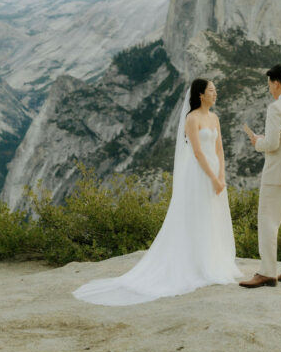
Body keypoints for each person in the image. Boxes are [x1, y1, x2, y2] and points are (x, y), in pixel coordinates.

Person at [72, 78, 241, 305]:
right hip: (199, 173)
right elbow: (198, 152)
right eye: (211, 90)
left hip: (215, 172)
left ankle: (211, 260)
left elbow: (219, 149)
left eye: (215, 90)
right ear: (200, 94)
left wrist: (222, 176)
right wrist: (212, 177)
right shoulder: (192, 118)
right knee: (197, 215)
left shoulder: (215, 118)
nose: (215, 93)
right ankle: (196, 263)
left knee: (211, 215)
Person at [239, 64, 281, 288]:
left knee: (268, 220)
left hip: (278, 173)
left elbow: (273, 144)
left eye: (269, 84)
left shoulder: (276, 108)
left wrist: (257, 142)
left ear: (276, 83)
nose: (269, 89)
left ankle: (267, 272)